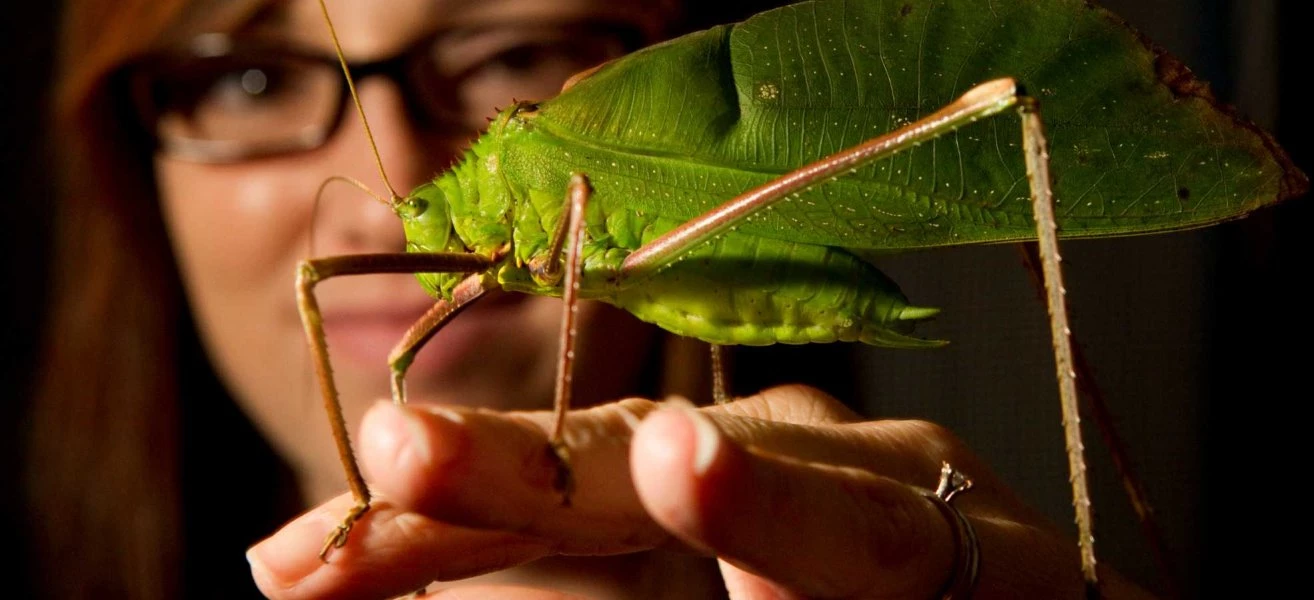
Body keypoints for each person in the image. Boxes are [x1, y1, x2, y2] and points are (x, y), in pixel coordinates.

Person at [28, 0, 1157, 598]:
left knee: (1002, 107)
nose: (383, 204)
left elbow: (573, 201)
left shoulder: (553, 174)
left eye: (508, 49)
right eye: (250, 78)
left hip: (693, 231)